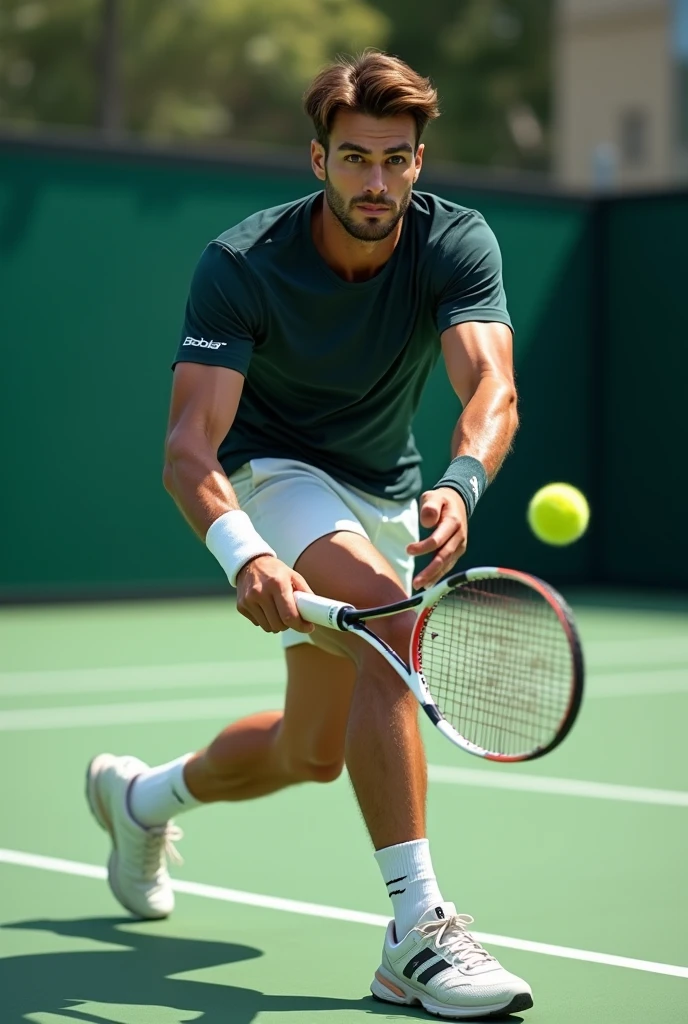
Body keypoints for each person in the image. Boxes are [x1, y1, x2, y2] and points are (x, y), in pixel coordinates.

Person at [86, 50, 530, 1019]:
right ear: (316, 159)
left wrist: (461, 483)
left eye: (397, 159)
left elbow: (490, 387)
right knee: (387, 617)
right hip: (270, 473)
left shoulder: (455, 241)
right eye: (355, 157)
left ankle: (138, 802)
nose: (376, 181)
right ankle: (415, 932)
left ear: (420, 161)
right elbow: (186, 448)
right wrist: (244, 551)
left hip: (392, 485)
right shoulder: (242, 264)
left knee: (310, 750)